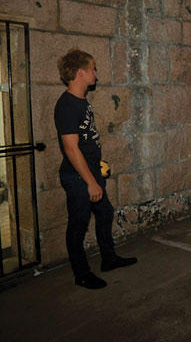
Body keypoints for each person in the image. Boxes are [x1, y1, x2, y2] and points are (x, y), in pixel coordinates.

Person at [54, 49, 136, 290]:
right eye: (93, 69)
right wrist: (90, 181)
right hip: (78, 177)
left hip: (90, 173)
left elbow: (86, 141)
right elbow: (70, 149)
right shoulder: (67, 105)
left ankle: (109, 259)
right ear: (80, 72)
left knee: (105, 212)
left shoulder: (82, 102)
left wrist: (97, 167)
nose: (96, 74)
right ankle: (81, 274)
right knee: (78, 225)